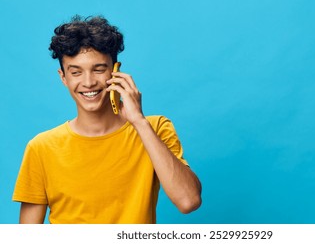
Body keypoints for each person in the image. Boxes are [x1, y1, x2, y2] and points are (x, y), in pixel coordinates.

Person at [12, 15, 202, 224]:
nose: (88, 82)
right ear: (63, 77)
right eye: (76, 72)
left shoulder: (155, 128)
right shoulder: (41, 148)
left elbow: (188, 201)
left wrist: (139, 121)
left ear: (115, 71)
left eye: (99, 69)